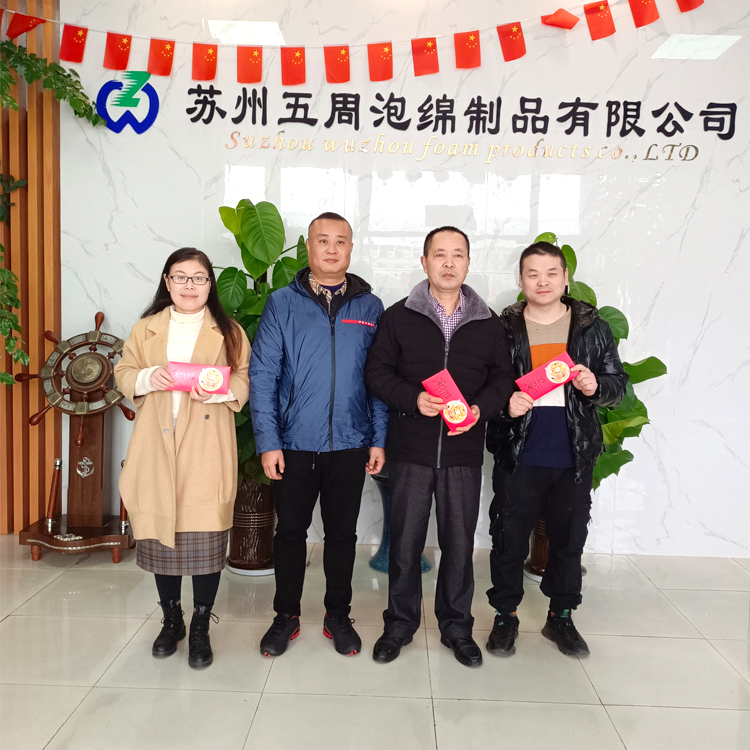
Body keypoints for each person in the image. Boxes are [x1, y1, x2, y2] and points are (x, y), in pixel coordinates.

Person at [364, 226, 516, 667]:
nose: (449, 263)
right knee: (405, 544)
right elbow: (376, 373)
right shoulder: (398, 316)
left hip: (462, 453)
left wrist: (478, 410)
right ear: (424, 261)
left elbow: (502, 378)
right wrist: (413, 399)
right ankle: (399, 625)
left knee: (459, 545)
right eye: (439, 254)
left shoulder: (488, 323)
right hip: (410, 451)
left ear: (468, 263)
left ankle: (457, 628)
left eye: (458, 255)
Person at [250, 211, 388, 658]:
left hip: (350, 442)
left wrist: (378, 437)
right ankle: (285, 616)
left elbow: (378, 380)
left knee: (342, 535)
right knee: (290, 533)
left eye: (340, 241)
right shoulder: (281, 303)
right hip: (293, 443)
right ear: (307, 247)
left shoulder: (370, 307)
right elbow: (263, 375)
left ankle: (338, 615)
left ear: (351, 249)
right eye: (322, 240)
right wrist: (269, 441)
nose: (331, 249)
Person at [485, 240, 628, 658]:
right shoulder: (503, 327)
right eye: (533, 274)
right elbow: (486, 384)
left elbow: (617, 384)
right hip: (519, 451)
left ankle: (560, 617)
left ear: (566, 278)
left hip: (573, 454)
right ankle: (505, 616)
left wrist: (595, 386)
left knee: (568, 540)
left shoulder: (591, 327)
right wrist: (506, 404)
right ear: (521, 280)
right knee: (508, 539)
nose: (542, 282)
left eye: (551, 274)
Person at [115, 248, 250, 669]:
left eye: (199, 278)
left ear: (210, 284)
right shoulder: (146, 329)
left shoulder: (229, 332)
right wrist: (145, 376)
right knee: (162, 536)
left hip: (206, 445)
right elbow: (123, 371)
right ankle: (171, 619)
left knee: (205, 534)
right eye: (180, 277)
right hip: (157, 444)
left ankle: (201, 623)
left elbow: (244, 377)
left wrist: (221, 392)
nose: (189, 285)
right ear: (167, 282)